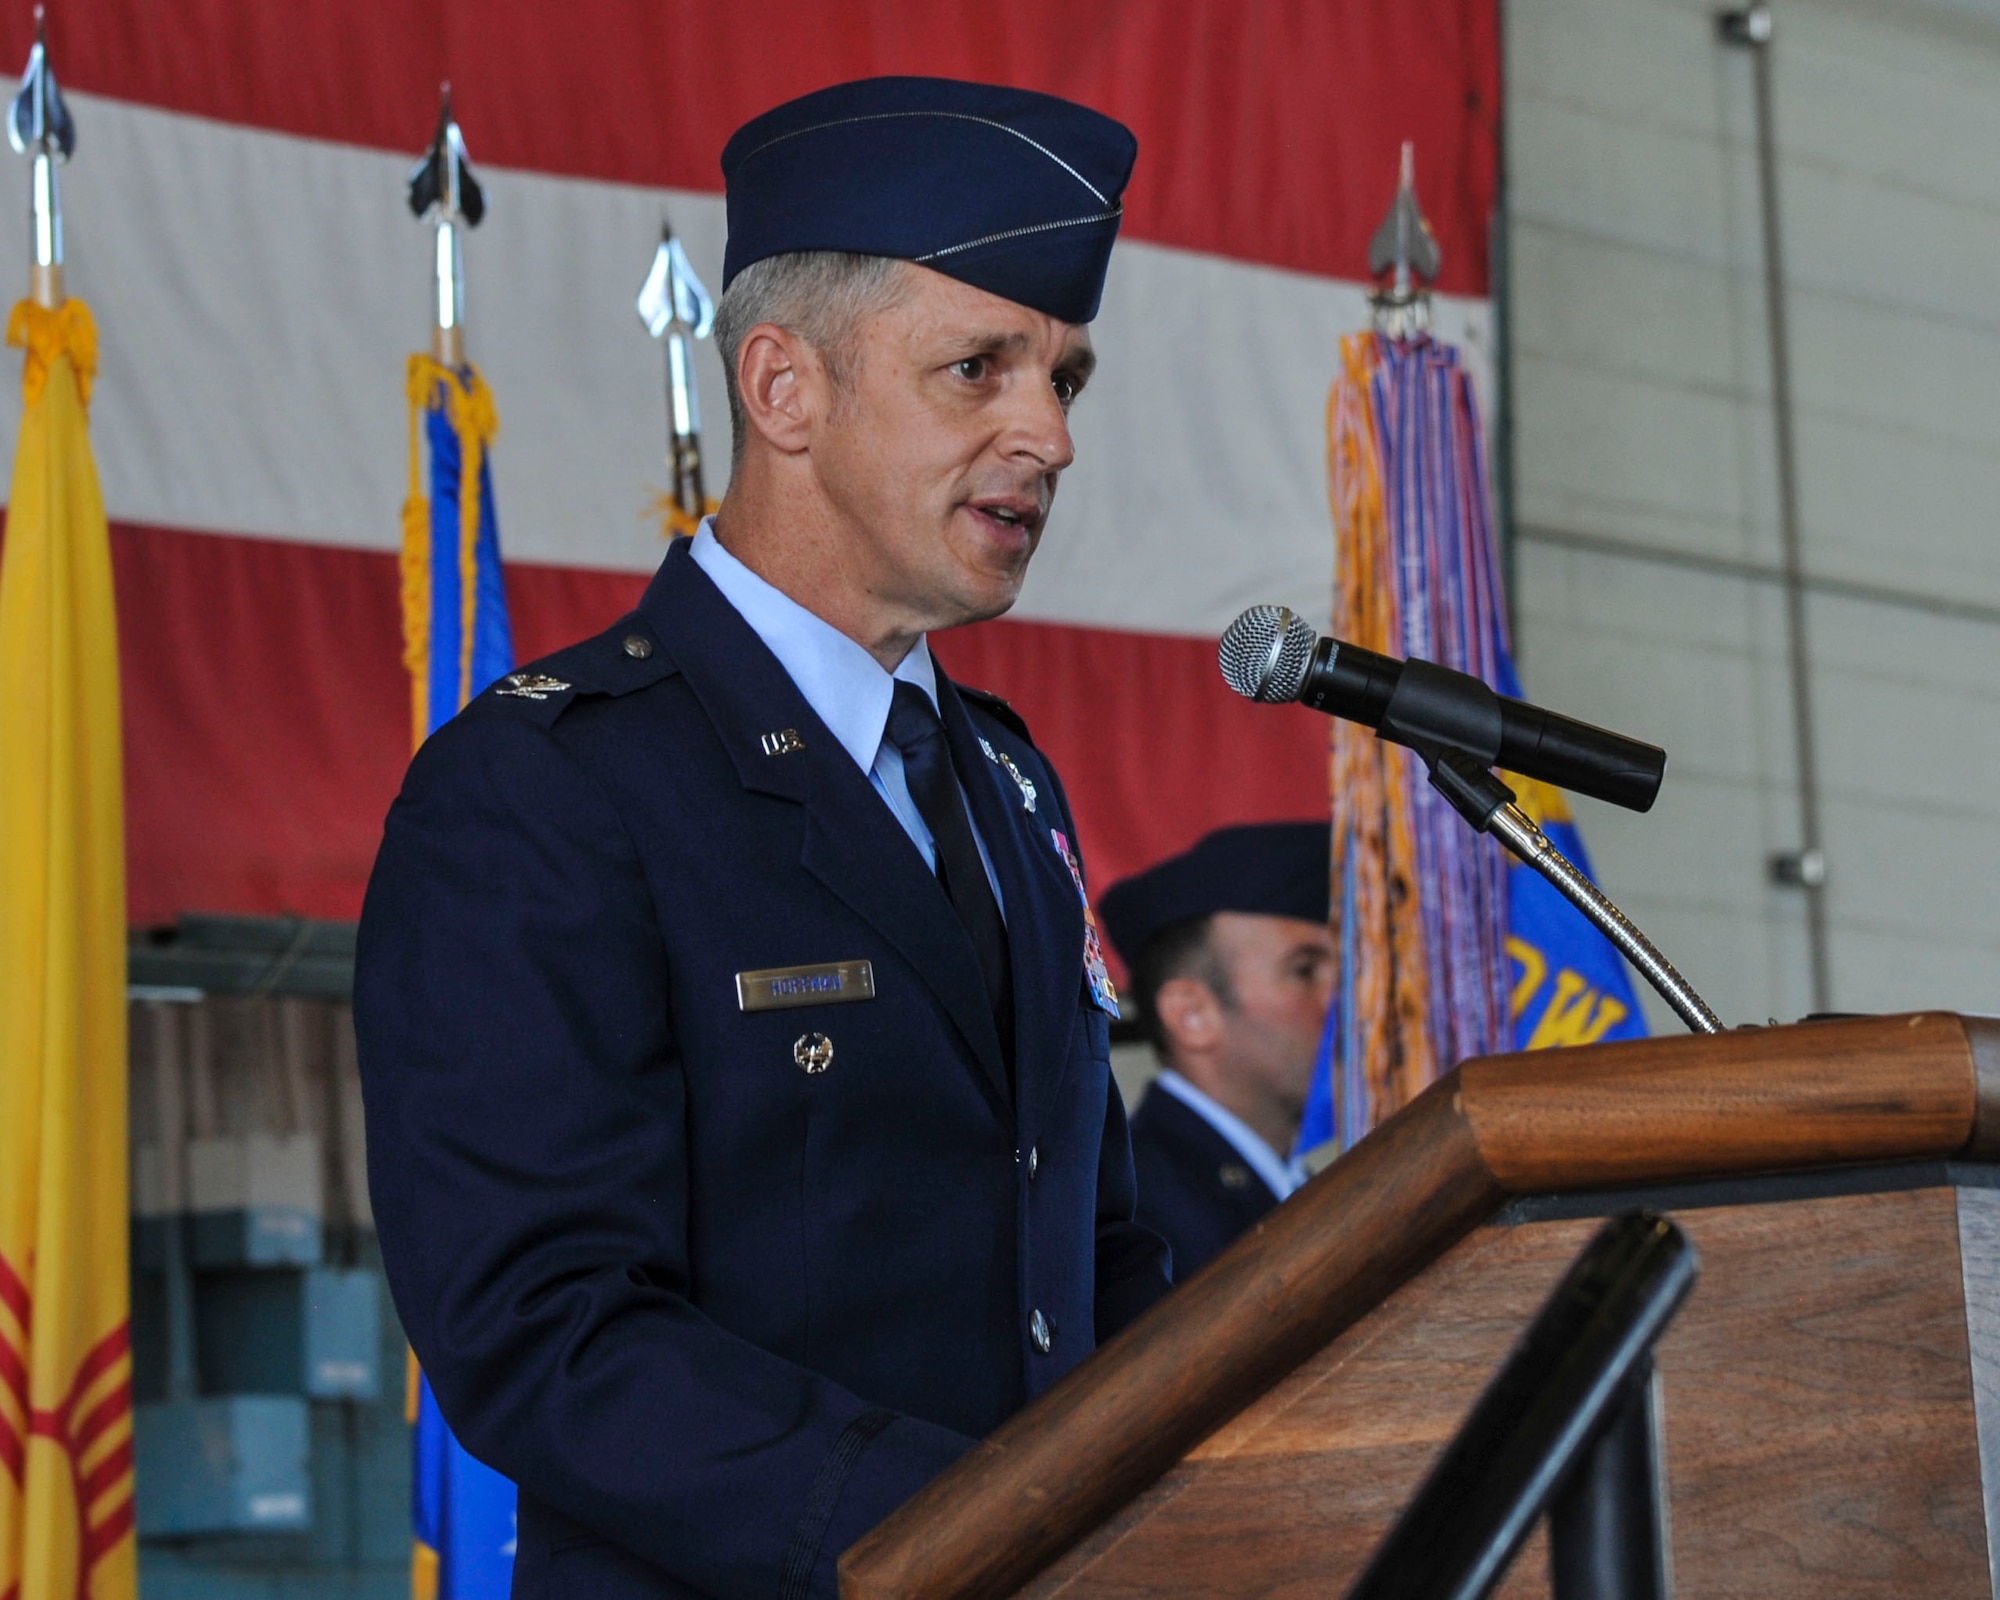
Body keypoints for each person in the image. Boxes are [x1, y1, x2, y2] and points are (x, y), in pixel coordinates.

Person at [354, 77, 1171, 1600]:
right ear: (782, 390)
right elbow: (546, 1331)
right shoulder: (548, 791)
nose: (1047, 434)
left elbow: (1096, 1247)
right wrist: (984, 1532)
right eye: (978, 369)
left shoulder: (1003, 780)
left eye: (1067, 377)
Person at [1099, 823, 1336, 1281]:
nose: (1346, 997)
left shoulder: (1292, 1184)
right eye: (1305, 970)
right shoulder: (1133, 1211)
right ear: (1192, 1017)